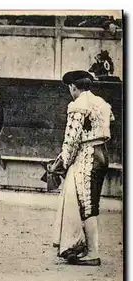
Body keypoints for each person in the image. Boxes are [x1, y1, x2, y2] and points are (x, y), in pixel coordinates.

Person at [49, 70, 114, 266]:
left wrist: (61, 163)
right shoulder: (101, 103)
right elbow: (109, 123)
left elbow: (72, 139)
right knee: (91, 201)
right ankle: (86, 247)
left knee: (86, 203)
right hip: (102, 153)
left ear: (73, 87)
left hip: (87, 155)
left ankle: (92, 252)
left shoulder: (77, 105)